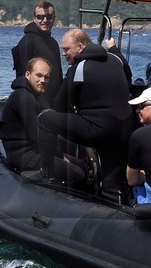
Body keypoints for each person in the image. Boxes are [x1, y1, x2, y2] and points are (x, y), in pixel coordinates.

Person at [39, 27, 136, 200]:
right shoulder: (114, 58)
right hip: (125, 129)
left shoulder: (79, 68)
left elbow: (60, 106)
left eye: (67, 49)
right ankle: (114, 199)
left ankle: (47, 172)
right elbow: (128, 74)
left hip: (97, 130)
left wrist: (78, 112)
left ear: (81, 47)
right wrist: (113, 48)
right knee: (111, 181)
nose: (63, 53)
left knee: (46, 118)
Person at [0, 57, 53, 173]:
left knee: (77, 163)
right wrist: (61, 156)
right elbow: (36, 135)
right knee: (76, 171)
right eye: (39, 75)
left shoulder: (36, 96)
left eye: (46, 77)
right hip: (23, 157)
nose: (43, 80)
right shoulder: (24, 97)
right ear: (28, 74)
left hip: (33, 153)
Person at [12, 1, 62, 105]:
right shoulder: (27, 41)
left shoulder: (53, 43)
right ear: (34, 19)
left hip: (55, 102)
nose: (45, 20)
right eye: (40, 17)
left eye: (49, 17)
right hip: (38, 104)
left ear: (54, 18)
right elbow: (23, 79)